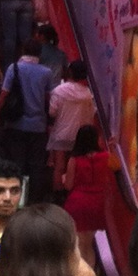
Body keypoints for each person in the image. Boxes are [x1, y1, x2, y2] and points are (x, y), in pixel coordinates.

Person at [0, 39, 58, 202]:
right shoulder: (46, 72)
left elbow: (4, 94)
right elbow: (49, 98)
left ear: (23, 50)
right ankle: (34, 201)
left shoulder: (14, 68)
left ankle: (17, 200)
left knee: (17, 164)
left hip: (16, 124)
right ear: (39, 53)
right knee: (36, 166)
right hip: (38, 126)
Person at [57, 125, 116, 273]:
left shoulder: (74, 160)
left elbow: (68, 185)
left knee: (79, 244)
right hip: (99, 203)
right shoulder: (106, 156)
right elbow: (115, 170)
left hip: (78, 203)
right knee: (89, 244)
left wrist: (64, 178)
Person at [46, 61, 97, 192]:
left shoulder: (59, 91)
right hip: (79, 136)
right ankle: (70, 192)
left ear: (70, 72)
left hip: (61, 133)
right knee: (74, 166)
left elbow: (52, 112)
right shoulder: (87, 94)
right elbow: (91, 114)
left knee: (59, 167)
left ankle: (57, 194)